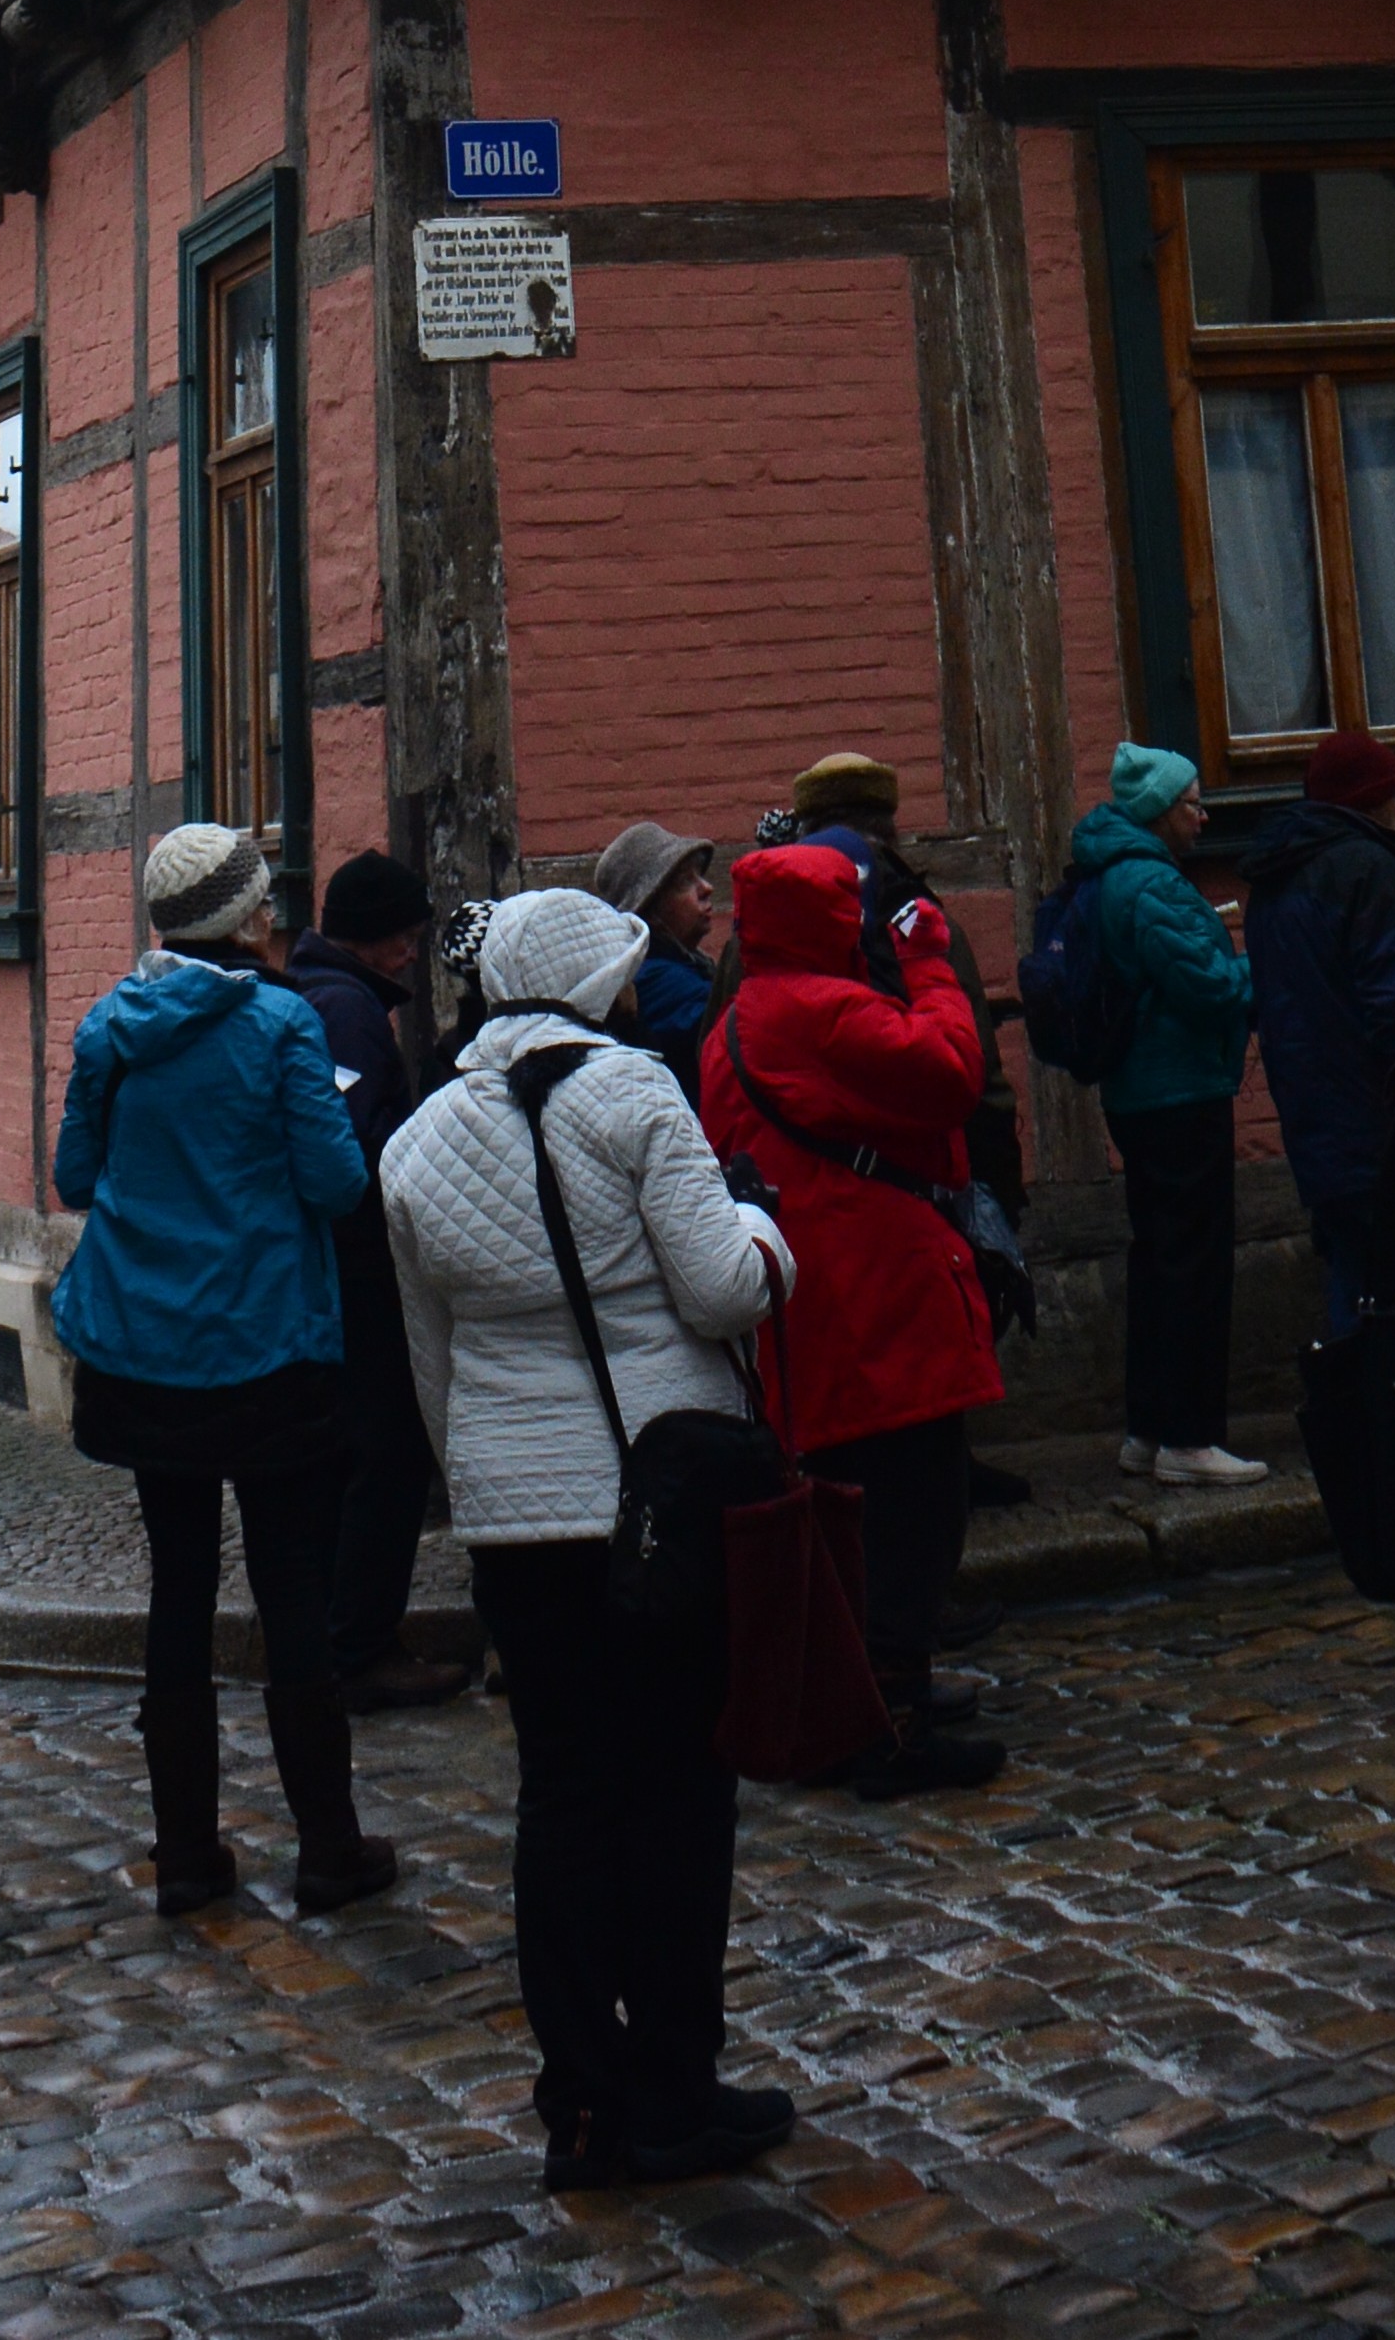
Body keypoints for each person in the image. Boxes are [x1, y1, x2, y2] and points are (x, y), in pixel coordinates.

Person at [384, 881, 801, 2189]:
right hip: (652, 1497)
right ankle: (674, 2090)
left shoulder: (416, 1137)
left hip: (517, 1514)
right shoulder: (634, 1092)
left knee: (561, 1795)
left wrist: (485, 1479)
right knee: (675, 1788)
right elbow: (722, 1288)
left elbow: (428, 1360)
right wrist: (762, 1226)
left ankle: (576, 2104)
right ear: (588, 981)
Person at [50, 817, 394, 1921]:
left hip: (145, 1354)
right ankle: (328, 1846)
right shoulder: (281, 1022)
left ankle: (188, 1854)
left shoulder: (110, 1026)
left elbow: (73, 1176)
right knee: (292, 1593)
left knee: (179, 1589)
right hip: (265, 1345)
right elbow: (337, 1182)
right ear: (243, 917)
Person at [703, 838, 1007, 1798]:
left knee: (848, 1507)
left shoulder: (738, 1018)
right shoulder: (823, 1008)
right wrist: (926, 959)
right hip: (873, 1294)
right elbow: (950, 1068)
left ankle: (863, 1703)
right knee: (914, 1503)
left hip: (811, 1300)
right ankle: (891, 1724)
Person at [1062, 740, 1265, 1486]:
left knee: (1158, 1258)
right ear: (1158, 812)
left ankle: (1147, 1430)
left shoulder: (1116, 873)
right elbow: (1208, 988)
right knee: (1193, 1265)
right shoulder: (1151, 883)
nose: (1202, 816)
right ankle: (1189, 1439)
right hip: (1177, 1091)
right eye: (1191, 804)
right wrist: (1264, 966)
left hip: (1142, 1093)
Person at [290, 850, 463, 1710]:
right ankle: (360, 1646)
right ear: (371, 934)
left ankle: (342, 1638)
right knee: (384, 1452)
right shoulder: (347, 1012)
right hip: (360, 1268)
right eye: (404, 933)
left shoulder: (328, 996)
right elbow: (357, 1151)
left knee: (355, 1455)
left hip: (340, 1267)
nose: (412, 949)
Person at [1242, 731, 1395, 1333]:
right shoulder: (1367, 869)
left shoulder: (1276, 878)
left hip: (1314, 1114)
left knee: (1353, 1283)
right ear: (1369, 801)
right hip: (1378, 1118)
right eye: (1394, 796)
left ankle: (1359, 1389)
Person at [782, 756, 1027, 1219]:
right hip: (922, 1192)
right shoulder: (924, 925)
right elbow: (979, 1081)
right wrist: (1000, 1188)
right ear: (891, 831)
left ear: (805, 831)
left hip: (796, 1200)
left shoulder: (761, 936)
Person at [589, 820, 725, 1092]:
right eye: (685, 882)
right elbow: (734, 1024)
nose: (706, 888)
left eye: (699, 875)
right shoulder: (657, 980)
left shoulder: (682, 965)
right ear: (650, 913)